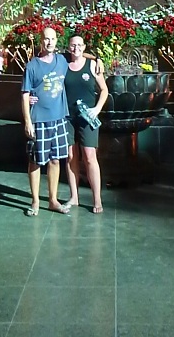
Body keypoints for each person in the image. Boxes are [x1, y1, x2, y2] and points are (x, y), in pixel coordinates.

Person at [21, 27, 71, 216]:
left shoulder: (62, 61)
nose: (49, 42)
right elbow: (25, 95)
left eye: (52, 39)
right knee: (35, 161)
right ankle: (35, 202)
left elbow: (82, 56)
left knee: (55, 160)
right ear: (40, 41)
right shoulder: (32, 66)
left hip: (58, 119)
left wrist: (97, 60)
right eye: (45, 39)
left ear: (57, 40)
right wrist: (27, 121)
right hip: (38, 120)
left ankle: (52, 200)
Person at [64, 34, 108, 214]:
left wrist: (96, 109)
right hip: (67, 116)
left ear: (84, 47)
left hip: (87, 116)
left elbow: (104, 90)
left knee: (90, 156)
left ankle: (97, 198)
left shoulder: (92, 66)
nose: (76, 49)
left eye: (79, 45)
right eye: (73, 45)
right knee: (70, 156)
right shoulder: (63, 65)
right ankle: (74, 197)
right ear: (68, 47)